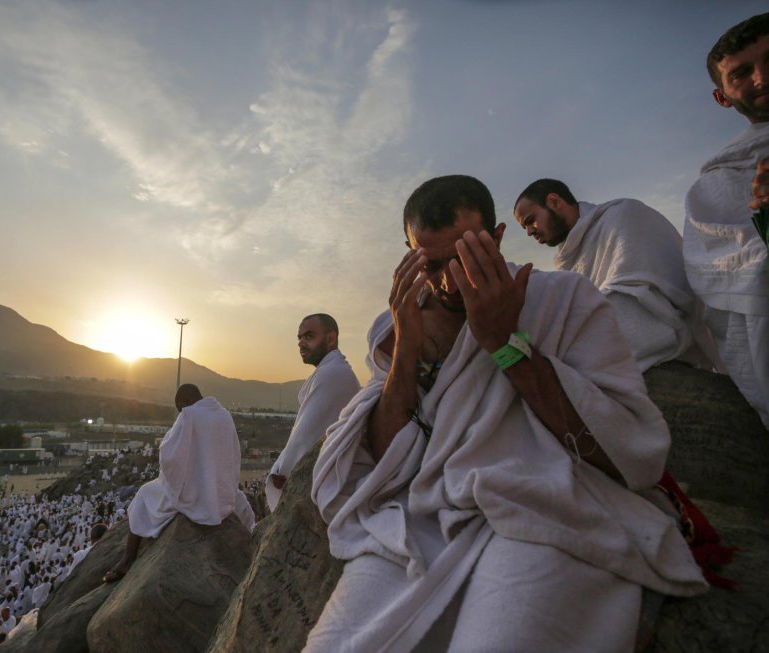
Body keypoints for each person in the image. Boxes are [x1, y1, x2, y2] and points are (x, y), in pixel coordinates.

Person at [306, 175, 706, 652]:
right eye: (431, 263)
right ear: (410, 252)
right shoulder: (395, 324)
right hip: (421, 514)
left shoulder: (562, 300)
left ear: (495, 237)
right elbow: (388, 455)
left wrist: (503, 341)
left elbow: (621, 447)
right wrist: (406, 350)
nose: (448, 279)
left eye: (464, 255)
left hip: (542, 501)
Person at [513, 179, 717, 371]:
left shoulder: (624, 214)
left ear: (555, 202)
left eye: (531, 221)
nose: (530, 232)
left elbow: (633, 297)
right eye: (525, 228)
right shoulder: (566, 258)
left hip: (660, 325)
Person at [684, 12, 769, 428]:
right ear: (722, 97)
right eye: (741, 73)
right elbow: (720, 274)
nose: (762, 78)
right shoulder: (720, 182)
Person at [102, 384, 255, 583]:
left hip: (195, 494)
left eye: (179, 409)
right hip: (222, 493)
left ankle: (127, 560)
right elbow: (234, 453)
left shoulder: (189, 414)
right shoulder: (225, 415)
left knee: (143, 495)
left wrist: (178, 480)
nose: (180, 413)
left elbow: (169, 457)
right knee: (240, 500)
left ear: (184, 402)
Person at [265, 314, 360, 512]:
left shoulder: (332, 374)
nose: (300, 343)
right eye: (299, 338)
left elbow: (304, 437)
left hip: (327, 488)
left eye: (309, 337)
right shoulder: (334, 371)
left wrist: (281, 472)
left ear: (330, 339)